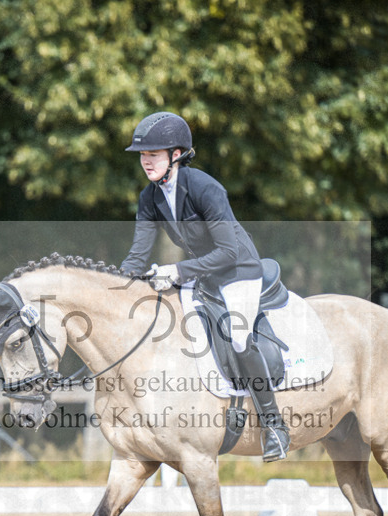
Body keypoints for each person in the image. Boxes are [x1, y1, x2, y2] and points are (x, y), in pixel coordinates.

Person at [120, 112, 290, 461]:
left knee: (239, 336)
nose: (146, 160)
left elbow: (228, 251)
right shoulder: (148, 198)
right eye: (142, 154)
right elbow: (136, 259)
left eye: (154, 153)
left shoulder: (204, 188)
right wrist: (112, 287)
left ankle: (274, 426)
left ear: (177, 154)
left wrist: (177, 270)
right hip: (204, 275)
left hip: (239, 270)